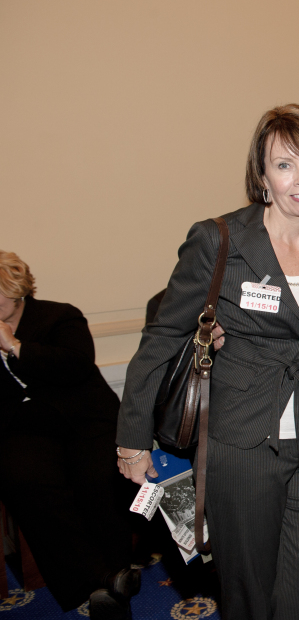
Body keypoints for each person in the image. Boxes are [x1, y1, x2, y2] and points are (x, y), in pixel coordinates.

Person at [116, 104, 299, 620]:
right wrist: (132, 439)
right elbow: (160, 338)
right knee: (249, 593)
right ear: (262, 175)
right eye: (284, 165)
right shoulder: (220, 240)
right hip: (243, 442)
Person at [0, 251, 138, 620]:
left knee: (96, 480)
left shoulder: (59, 315)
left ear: (15, 291)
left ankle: (109, 586)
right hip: (25, 428)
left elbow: (75, 366)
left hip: (85, 420)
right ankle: (103, 579)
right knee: (24, 480)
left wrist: (15, 347)